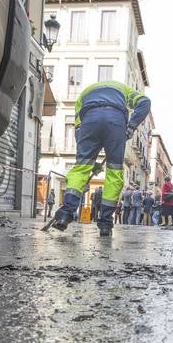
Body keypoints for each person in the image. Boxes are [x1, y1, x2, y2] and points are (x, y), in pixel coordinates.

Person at [51, 82, 151, 237]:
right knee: (114, 172)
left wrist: (90, 163)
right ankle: (105, 224)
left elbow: (78, 131)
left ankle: (64, 214)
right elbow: (145, 102)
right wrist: (130, 127)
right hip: (116, 122)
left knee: (81, 168)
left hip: (89, 120)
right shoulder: (123, 89)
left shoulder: (84, 93)